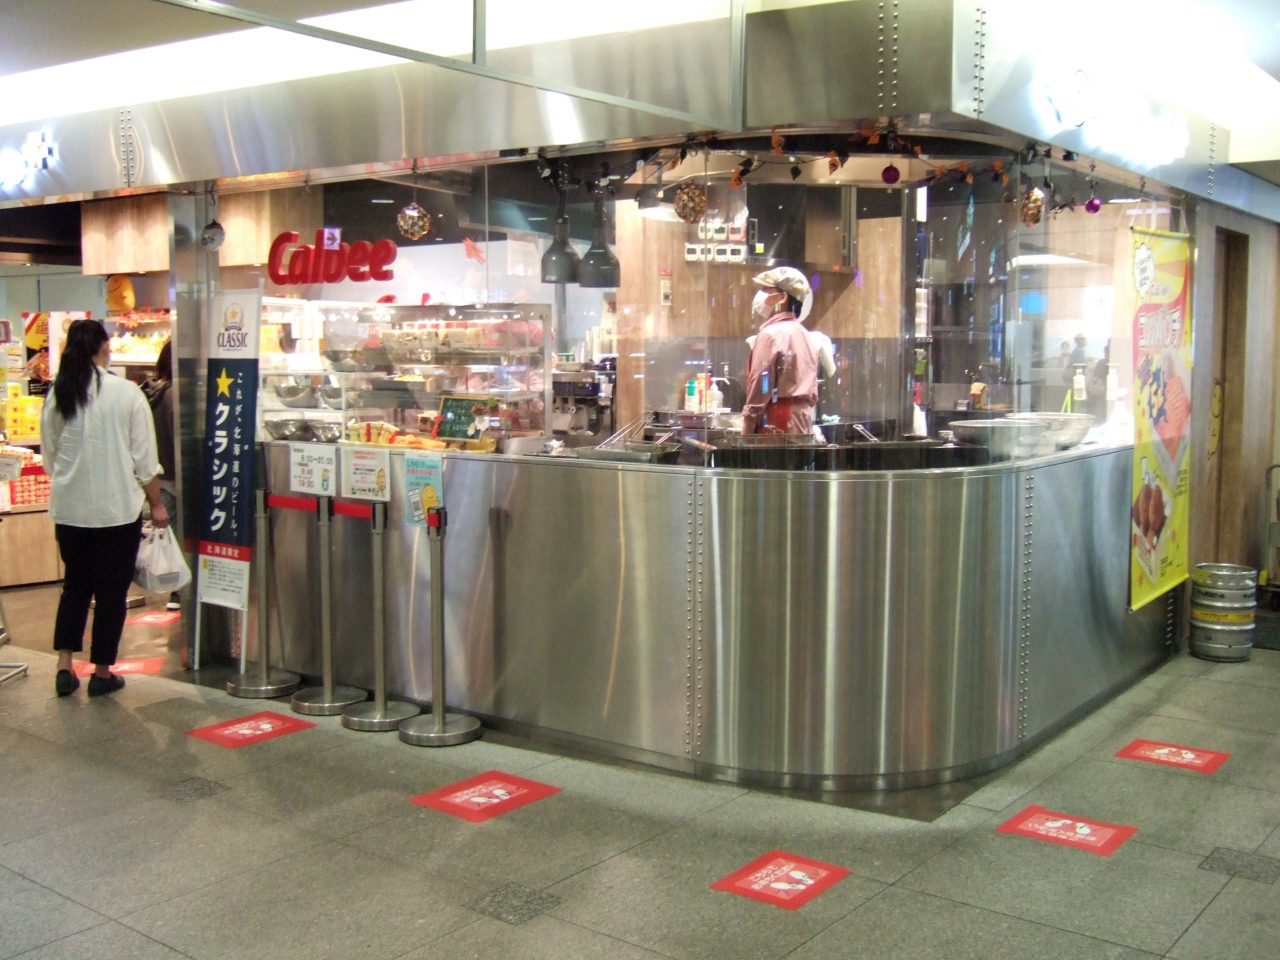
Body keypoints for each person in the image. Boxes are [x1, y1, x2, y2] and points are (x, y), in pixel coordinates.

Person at [41, 319, 167, 697]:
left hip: (70, 509)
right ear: (103, 348)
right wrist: (156, 503)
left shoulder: (59, 393)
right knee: (111, 593)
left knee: (75, 587)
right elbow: (145, 460)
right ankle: (101, 673)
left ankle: (64, 666)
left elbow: (51, 456)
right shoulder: (126, 393)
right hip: (116, 511)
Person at [742, 267, 819, 435]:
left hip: (778, 422)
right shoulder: (806, 335)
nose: (761, 295)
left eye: (766, 290)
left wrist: (746, 432)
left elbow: (760, 387)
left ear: (782, 297)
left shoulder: (770, 335)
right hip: (803, 421)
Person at [141, 340, 179, 611]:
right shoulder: (175, 395)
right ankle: (182, 591)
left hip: (157, 477)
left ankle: (176, 590)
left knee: (170, 537)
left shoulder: (149, 393)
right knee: (182, 537)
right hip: (177, 476)